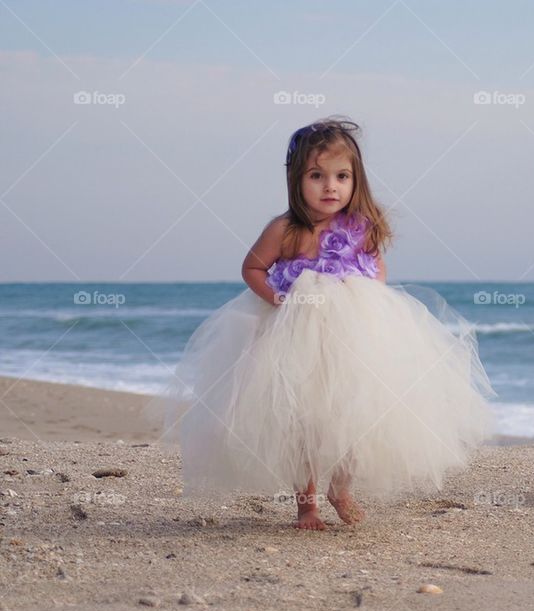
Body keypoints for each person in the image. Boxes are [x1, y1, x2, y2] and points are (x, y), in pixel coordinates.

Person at [146, 117, 497, 530]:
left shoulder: (362, 226)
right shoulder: (285, 229)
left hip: (353, 336)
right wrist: (279, 299)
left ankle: (341, 488)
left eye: (341, 176)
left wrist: (372, 306)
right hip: (293, 340)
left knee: (358, 414)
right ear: (297, 180)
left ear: (356, 180)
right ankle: (306, 505)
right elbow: (252, 269)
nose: (330, 186)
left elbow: (376, 270)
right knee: (301, 421)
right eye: (317, 176)